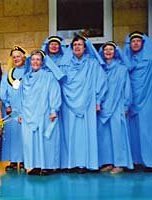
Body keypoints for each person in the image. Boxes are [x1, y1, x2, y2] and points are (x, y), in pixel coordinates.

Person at [59, 35, 107, 173]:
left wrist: (98, 101)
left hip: (88, 103)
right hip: (68, 105)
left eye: (80, 44)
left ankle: (86, 163)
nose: (77, 47)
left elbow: (101, 82)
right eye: (75, 45)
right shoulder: (65, 64)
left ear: (85, 47)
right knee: (70, 134)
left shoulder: (93, 63)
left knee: (85, 134)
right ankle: (71, 163)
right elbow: (59, 83)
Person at [19, 50, 63, 175]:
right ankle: (34, 165)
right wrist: (20, 114)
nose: (35, 62)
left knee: (45, 140)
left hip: (44, 111)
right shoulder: (25, 78)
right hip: (28, 113)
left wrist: (54, 109)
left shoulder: (49, 76)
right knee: (30, 141)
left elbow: (54, 92)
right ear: (29, 61)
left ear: (42, 62)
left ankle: (47, 166)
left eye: (38, 59)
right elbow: (21, 97)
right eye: (33, 59)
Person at [97, 41, 133, 174]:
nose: (108, 52)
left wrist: (126, 104)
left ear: (115, 52)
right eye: (105, 49)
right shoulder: (100, 69)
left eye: (111, 49)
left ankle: (120, 163)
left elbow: (127, 88)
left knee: (118, 136)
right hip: (103, 107)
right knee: (105, 136)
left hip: (117, 106)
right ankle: (108, 162)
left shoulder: (121, 69)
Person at [124, 31, 152, 172]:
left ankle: (149, 161)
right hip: (130, 100)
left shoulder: (149, 60)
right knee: (132, 131)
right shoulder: (126, 61)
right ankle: (135, 161)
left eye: (138, 41)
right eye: (132, 41)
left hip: (146, 99)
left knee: (146, 130)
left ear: (143, 43)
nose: (135, 43)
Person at [0, 45, 28, 171]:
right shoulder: (7, 74)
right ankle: (12, 160)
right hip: (10, 109)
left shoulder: (29, 73)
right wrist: (7, 105)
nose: (16, 59)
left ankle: (23, 160)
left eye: (19, 56)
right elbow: (3, 91)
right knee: (11, 135)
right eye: (14, 57)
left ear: (24, 57)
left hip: (25, 108)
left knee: (23, 135)